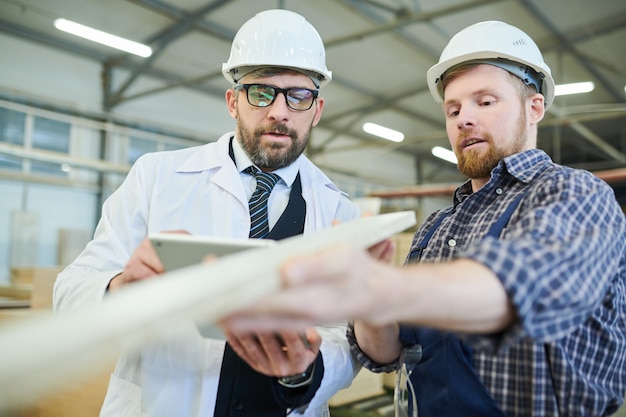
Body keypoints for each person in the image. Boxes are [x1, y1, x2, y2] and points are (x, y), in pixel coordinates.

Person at [221, 20, 626, 416]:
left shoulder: (576, 194)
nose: (463, 119)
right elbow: (384, 352)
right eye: (453, 109)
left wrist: (380, 283)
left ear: (534, 107)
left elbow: (514, 288)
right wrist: (367, 301)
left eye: (485, 102)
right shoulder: (438, 226)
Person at [53, 9, 361, 417]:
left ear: (317, 110)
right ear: (233, 101)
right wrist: (121, 287)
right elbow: (70, 290)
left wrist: (306, 370)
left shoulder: (339, 210)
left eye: (298, 96)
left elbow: (346, 335)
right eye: (261, 92)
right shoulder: (157, 177)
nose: (279, 111)